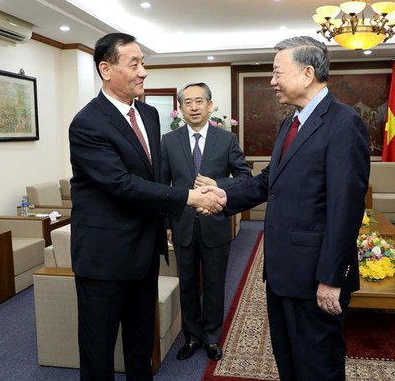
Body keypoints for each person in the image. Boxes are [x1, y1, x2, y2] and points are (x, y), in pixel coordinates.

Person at [204, 36, 370, 380]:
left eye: (278, 72)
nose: (272, 81)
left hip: (315, 278)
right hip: (283, 272)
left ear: (307, 74)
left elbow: (346, 209)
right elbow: (270, 181)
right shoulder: (291, 122)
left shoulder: (344, 123)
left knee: (318, 368)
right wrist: (224, 196)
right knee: (289, 362)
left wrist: (331, 279)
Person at [69, 32, 223, 381]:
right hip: (105, 258)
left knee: (141, 346)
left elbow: (155, 176)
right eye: (134, 63)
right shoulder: (87, 122)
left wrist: (166, 222)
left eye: (143, 63)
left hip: (144, 251)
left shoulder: (149, 114)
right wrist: (188, 197)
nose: (143, 72)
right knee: (98, 353)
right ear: (106, 69)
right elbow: (121, 185)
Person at [161, 83, 252, 361]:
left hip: (215, 225)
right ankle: (192, 336)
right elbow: (163, 186)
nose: (194, 107)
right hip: (182, 225)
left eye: (199, 101)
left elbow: (245, 178)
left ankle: (212, 337)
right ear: (181, 108)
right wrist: (167, 224)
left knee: (214, 283)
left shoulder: (226, 140)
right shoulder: (169, 141)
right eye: (187, 102)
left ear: (210, 105)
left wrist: (219, 184)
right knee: (187, 284)